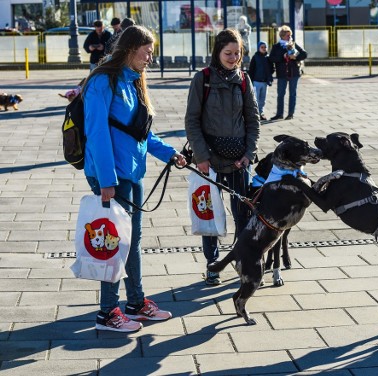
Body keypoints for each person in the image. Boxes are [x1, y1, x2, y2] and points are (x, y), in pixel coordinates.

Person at [82, 25, 187, 332]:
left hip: (132, 172)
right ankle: (107, 313)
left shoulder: (133, 81)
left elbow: (141, 132)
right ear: (130, 49)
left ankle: (136, 303)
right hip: (111, 176)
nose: (150, 57)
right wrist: (106, 181)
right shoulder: (102, 81)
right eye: (147, 50)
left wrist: (169, 153)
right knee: (115, 244)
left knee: (133, 243)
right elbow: (97, 134)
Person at [184, 29, 260, 285]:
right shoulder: (202, 79)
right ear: (217, 52)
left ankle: (240, 258)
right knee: (210, 215)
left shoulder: (243, 80)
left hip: (239, 161)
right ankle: (212, 263)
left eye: (237, 53)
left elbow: (253, 120)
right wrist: (201, 157)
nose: (233, 57)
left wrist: (249, 154)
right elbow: (192, 121)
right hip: (210, 161)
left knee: (243, 216)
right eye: (228, 53)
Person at [269, 25, 307, 121]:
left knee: (292, 94)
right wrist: (283, 56)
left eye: (290, 35)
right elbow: (272, 58)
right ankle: (279, 114)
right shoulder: (276, 46)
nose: (289, 37)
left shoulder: (293, 44)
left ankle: (290, 114)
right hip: (282, 73)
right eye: (287, 35)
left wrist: (295, 57)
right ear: (282, 36)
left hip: (294, 73)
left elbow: (304, 54)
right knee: (281, 94)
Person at [248, 41, 274, 121]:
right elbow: (251, 70)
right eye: (262, 47)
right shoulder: (255, 57)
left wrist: (269, 75)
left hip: (265, 82)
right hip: (256, 81)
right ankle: (255, 114)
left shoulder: (268, 57)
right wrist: (251, 81)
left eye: (265, 47)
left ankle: (261, 113)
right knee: (255, 98)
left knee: (262, 99)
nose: (264, 49)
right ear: (258, 48)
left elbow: (272, 68)